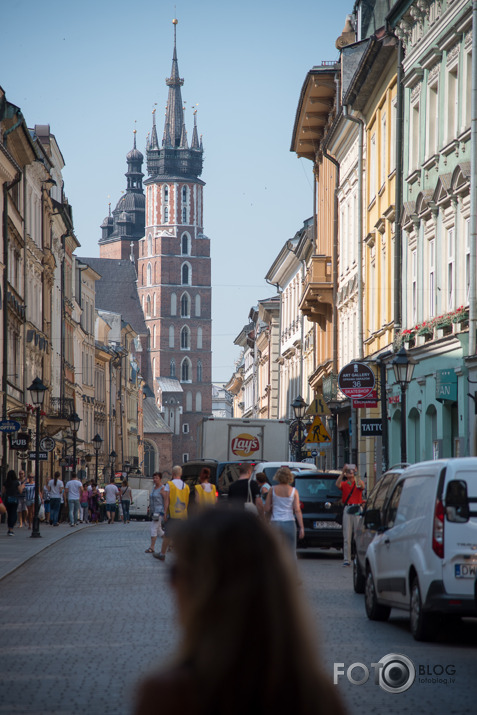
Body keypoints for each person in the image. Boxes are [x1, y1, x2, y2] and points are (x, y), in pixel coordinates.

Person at [134, 509, 347, 715]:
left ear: (208, 587)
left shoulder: (171, 695)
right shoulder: (318, 695)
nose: (170, 585)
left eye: (176, 572)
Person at [264, 466, 304, 554]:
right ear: (290, 477)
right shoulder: (294, 491)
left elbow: (266, 508)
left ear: (277, 476)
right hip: (289, 522)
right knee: (291, 551)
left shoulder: (272, 490)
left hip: (275, 522)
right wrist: (301, 527)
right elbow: (297, 510)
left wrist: (272, 507)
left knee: (275, 551)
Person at [153, 465, 189, 562]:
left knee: (168, 535)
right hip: (183, 514)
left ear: (172, 474)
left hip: (173, 513)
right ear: (181, 474)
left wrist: (165, 512)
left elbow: (167, 500)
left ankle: (162, 554)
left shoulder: (170, 484)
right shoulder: (186, 486)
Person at [335, 463, 365, 567]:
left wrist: (355, 473)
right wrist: (343, 472)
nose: (350, 473)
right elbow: (337, 484)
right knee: (347, 535)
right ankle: (347, 559)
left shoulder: (357, 482)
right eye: (348, 472)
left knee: (358, 535)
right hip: (348, 507)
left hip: (357, 507)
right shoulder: (344, 483)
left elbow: (362, 486)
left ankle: (358, 557)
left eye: (351, 471)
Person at [146, 472, 165, 554]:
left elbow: (166, 500)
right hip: (154, 511)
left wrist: (165, 512)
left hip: (159, 511)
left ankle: (152, 547)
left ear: (160, 479)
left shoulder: (163, 488)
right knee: (159, 530)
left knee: (153, 528)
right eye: (154, 478)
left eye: (156, 478)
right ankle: (171, 543)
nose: (155, 479)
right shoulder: (154, 488)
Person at [1, 470, 25, 536]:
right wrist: (22, 487)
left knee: (9, 514)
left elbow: (3, 491)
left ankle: (10, 529)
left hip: (7, 499)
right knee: (13, 513)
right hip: (14, 499)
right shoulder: (16, 482)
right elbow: (20, 491)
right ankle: (11, 528)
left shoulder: (6, 482)